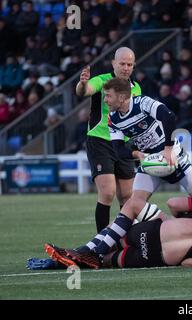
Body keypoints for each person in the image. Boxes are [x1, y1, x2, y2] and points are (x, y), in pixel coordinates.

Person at [49, 77, 192, 267]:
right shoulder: (113, 118)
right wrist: (137, 154)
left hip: (173, 157)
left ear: (123, 96)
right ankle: (92, 251)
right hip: (149, 163)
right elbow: (119, 150)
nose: (105, 100)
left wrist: (167, 148)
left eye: (108, 96)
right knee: (132, 204)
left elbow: (169, 117)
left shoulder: (142, 103)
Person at [45, 197, 192, 268]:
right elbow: (187, 264)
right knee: (104, 262)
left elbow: (174, 203)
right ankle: (81, 257)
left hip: (151, 230)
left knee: (133, 205)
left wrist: (182, 220)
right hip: (154, 257)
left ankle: (86, 251)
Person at [75, 47, 140, 233]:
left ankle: (125, 239)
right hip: (100, 140)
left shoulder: (136, 88)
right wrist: (82, 83)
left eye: (130, 64)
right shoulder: (102, 81)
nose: (126, 67)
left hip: (124, 144)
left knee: (127, 196)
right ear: (114, 63)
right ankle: (100, 245)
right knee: (108, 192)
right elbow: (84, 91)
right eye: (122, 63)